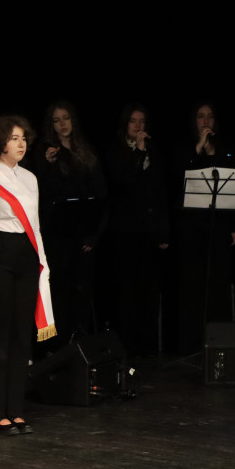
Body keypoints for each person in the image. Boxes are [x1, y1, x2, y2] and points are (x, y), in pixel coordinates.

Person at [0, 115, 54, 435]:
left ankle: (16, 409)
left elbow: (36, 227)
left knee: (21, 336)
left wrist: (44, 266)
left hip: (26, 257)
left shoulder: (31, 179)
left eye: (23, 138)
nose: (21, 143)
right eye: (14, 138)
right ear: (0, 143)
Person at [33, 101, 107, 341]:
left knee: (82, 290)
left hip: (84, 235)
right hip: (58, 235)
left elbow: (101, 196)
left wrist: (93, 235)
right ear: (51, 125)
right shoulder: (46, 151)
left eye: (66, 118)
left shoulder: (86, 150)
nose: (62, 124)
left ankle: (80, 340)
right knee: (60, 290)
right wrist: (47, 165)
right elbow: (39, 192)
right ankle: (60, 342)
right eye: (57, 120)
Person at [174, 102, 235, 355]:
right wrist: (197, 150)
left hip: (219, 227)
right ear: (195, 122)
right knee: (193, 287)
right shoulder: (186, 148)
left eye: (210, 117)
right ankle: (191, 346)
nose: (206, 122)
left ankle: (218, 345)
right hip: (192, 229)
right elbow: (179, 178)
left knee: (218, 285)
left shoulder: (226, 148)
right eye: (201, 117)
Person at [102, 104, 168, 357]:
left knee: (148, 291)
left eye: (142, 122)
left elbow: (161, 192)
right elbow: (123, 182)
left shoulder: (155, 152)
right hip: (125, 232)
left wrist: (164, 231)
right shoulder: (116, 151)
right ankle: (124, 345)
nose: (138, 126)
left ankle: (146, 346)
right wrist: (139, 153)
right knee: (126, 291)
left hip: (149, 231)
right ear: (125, 125)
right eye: (133, 122)